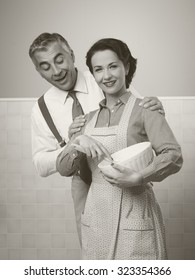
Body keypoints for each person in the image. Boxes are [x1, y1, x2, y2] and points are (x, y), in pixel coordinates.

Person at [29, 32, 165, 243]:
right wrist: (74, 145)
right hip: (82, 183)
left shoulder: (102, 75)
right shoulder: (41, 108)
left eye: (59, 59)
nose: (56, 71)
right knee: (92, 247)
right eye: (45, 66)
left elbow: (139, 114)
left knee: (133, 241)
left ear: (71, 55)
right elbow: (40, 164)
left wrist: (153, 109)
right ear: (38, 71)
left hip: (123, 176)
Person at [56, 38, 183, 260]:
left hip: (135, 213)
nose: (106, 76)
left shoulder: (146, 109)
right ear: (93, 75)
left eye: (113, 66)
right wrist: (78, 142)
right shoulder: (86, 120)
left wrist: (139, 176)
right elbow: (63, 168)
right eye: (98, 69)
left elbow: (173, 155)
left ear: (126, 66)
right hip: (96, 217)